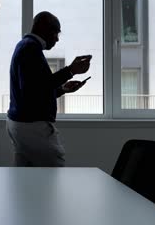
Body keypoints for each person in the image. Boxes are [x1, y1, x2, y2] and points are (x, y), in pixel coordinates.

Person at [6, 11, 92, 167]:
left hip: (19, 124)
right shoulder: (31, 49)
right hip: (32, 126)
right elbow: (38, 87)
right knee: (54, 173)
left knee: (24, 178)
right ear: (45, 29)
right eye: (56, 33)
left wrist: (62, 89)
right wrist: (71, 70)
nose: (57, 39)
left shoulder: (24, 46)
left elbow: (33, 90)